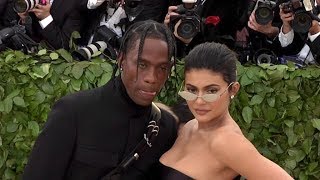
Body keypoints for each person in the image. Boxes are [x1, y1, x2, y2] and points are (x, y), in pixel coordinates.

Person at [22, 20, 178, 180]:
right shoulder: (73, 112)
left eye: (162, 68)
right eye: (142, 64)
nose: (152, 78)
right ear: (121, 60)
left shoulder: (165, 127)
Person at [159, 42, 294, 179]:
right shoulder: (189, 127)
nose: (199, 101)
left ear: (233, 89)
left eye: (211, 91)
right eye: (192, 90)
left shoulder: (228, 143)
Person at [16, 0, 84, 50]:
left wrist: (45, 18)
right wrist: (25, 19)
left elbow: (65, 46)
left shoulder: (74, 4)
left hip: (56, 61)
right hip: (29, 55)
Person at [278, 0, 320, 65]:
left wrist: (315, 33)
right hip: (292, 65)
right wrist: (287, 25)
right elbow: (286, 48)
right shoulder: (305, 8)